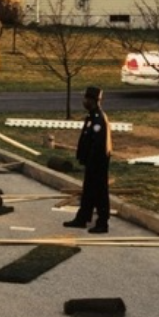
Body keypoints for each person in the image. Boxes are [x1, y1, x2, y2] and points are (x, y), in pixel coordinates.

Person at [63, 86, 112, 234]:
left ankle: (103, 223)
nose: (83, 101)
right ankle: (82, 218)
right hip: (91, 162)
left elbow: (98, 144)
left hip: (98, 162)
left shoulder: (98, 119)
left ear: (92, 100)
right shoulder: (92, 116)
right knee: (88, 192)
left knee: (100, 193)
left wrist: (91, 162)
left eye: (86, 98)